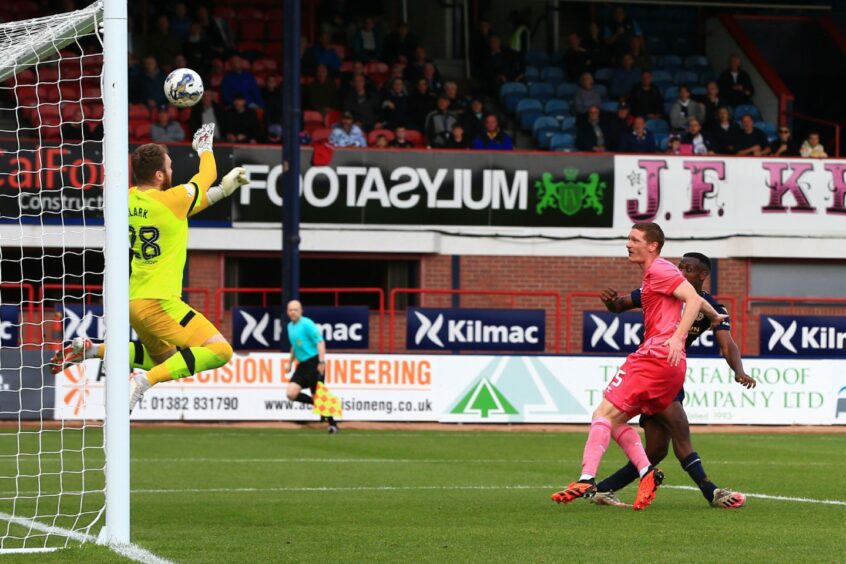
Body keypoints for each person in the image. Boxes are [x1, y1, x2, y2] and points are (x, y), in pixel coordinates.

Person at [51, 125, 249, 412]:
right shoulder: (172, 200)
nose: (172, 171)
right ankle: (143, 382)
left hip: (134, 300)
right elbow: (205, 176)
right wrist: (204, 147)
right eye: (169, 167)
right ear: (159, 175)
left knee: (164, 360)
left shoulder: (128, 199)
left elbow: (186, 207)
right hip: (161, 301)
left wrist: (223, 190)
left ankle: (93, 350)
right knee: (220, 351)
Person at [551, 222, 710, 510]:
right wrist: (717, 317)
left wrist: (677, 337)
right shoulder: (655, 275)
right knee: (617, 421)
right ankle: (647, 473)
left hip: (654, 356)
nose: (628, 243)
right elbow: (700, 302)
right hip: (671, 367)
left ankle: (587, 478)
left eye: (634, 239)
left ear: (652, 246)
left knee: (603, 414)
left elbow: (693, 299)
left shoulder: (660, 269)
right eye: (629, 238)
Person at [592, 252, 756, 509]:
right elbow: (620, 305)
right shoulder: (660, 287)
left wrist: (739, 370)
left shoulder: (712, 307)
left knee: (656, 450)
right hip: (652, 367)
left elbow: (727, 344)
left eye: (689, 269)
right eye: (680, 267)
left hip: (670, 371)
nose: (681, 272)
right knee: (680, 427)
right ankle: (711, 492)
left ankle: (602, 489)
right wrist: (610, 302)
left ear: (703, 275)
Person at [285, 300, 338, 434]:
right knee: (291, 393)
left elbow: (320, 342)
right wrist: (290, 362)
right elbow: (294, 346)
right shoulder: (290, 326)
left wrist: (321, 362)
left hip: (314, 363)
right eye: (290, 310)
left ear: (301, 311)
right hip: (302, 365)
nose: (293, 312)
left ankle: (333, 424)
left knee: (318, 395)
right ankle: (318, 406)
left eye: (295, 309)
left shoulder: (307, 324)